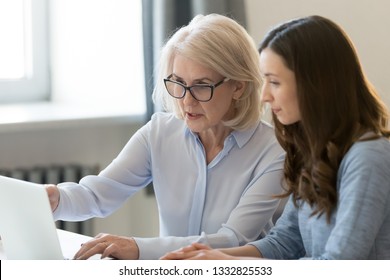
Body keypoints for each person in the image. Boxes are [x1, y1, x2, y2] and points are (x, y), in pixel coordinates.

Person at [46, 13, 286, 260]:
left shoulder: (273, 152)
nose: (186, 100)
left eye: (201, 85)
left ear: (238, 86)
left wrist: (138, 248)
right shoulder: (160, 132)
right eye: (178, 82)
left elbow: (233, 239)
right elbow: (98, 194)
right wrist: (57, 198)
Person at [161, 15, 390, 260]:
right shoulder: (314, 154)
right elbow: (285, 243)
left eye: (275, 82)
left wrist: (232, 265)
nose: (265, 96)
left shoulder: (367, 157)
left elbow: (339, 265)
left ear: (314, 85)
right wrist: (212, 258)